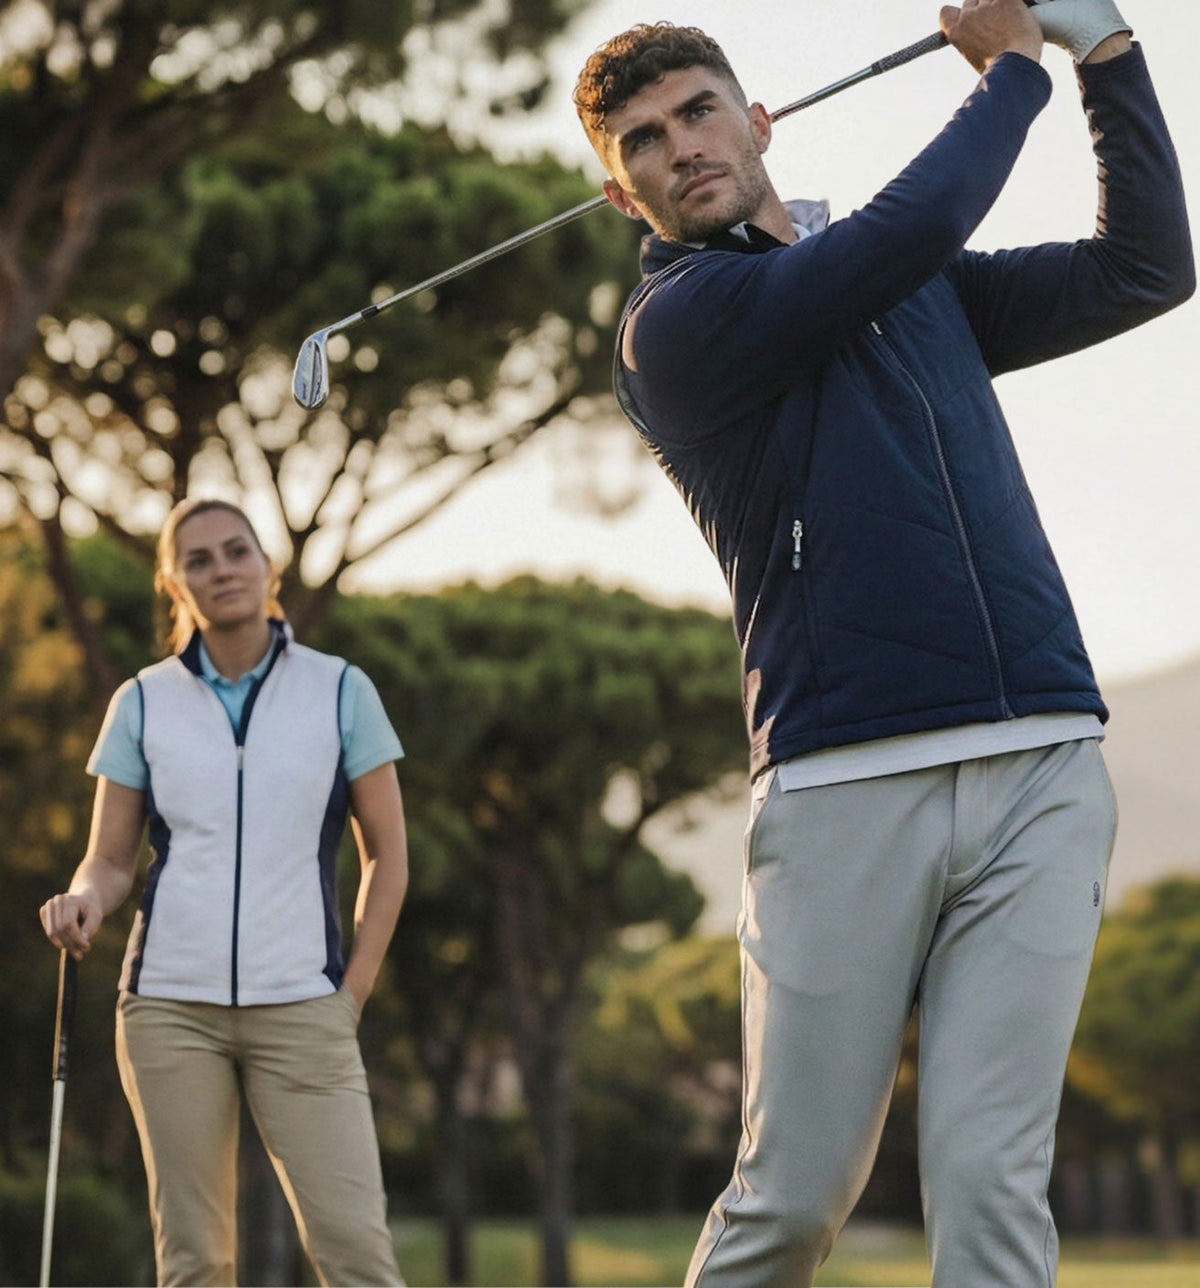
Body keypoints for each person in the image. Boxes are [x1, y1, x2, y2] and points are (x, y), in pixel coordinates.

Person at [574, 1, 1193, 1284]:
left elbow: (1146, 267)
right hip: (845, 781)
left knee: (990, 1182)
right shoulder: (675, 328)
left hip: (1042, 763)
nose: (678, 145)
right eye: (640, 141)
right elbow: (907, 231)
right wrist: (1015, 68)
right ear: (626, 195)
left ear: (760, 119)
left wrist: (1109, 62)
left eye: (697, 111)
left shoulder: (907, 279)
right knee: (796, 1196)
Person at [39, 497, 408, 1287]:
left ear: (266, 567)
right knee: (195, 1263)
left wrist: (350, 997)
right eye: (198, 560)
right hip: (167, 1008)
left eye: (236, 551)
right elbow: (107, 858)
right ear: (176, 585)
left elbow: (387, 856)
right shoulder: (141, 702)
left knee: (357, 1258)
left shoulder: (342, 692)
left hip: (305, 1006)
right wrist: (85, 901)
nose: (221, 569)